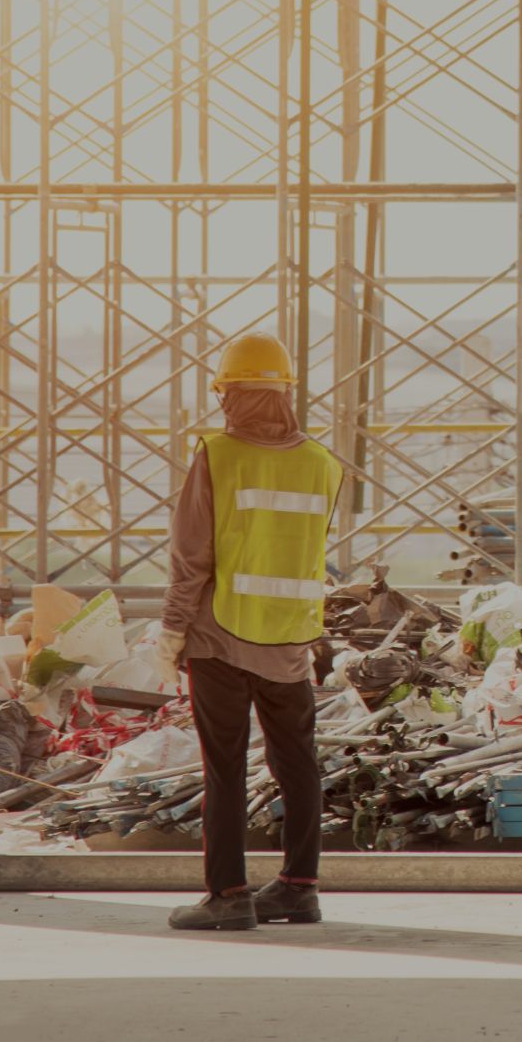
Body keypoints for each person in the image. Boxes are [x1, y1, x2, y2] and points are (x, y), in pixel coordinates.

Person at [161, 332, 342, 932]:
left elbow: (193, 557)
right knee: (298, 762)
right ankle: (299, 887)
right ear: (285, 393)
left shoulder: (217, 455)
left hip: (221, 635)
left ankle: (229, 894)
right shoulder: (321, 463)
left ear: (230, 394)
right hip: (291, 639)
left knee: (225, 766)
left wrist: (170, 632)